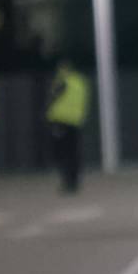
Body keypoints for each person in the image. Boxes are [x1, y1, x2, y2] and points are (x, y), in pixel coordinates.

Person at [47, 60, 89, 194]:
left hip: (61, 121)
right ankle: (74, 181)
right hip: (76, 121)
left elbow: (53, 98)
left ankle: (67, 182)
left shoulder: (62, 81)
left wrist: (47, 113)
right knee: (74, 153)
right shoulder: (80, 81)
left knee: (62, 153)